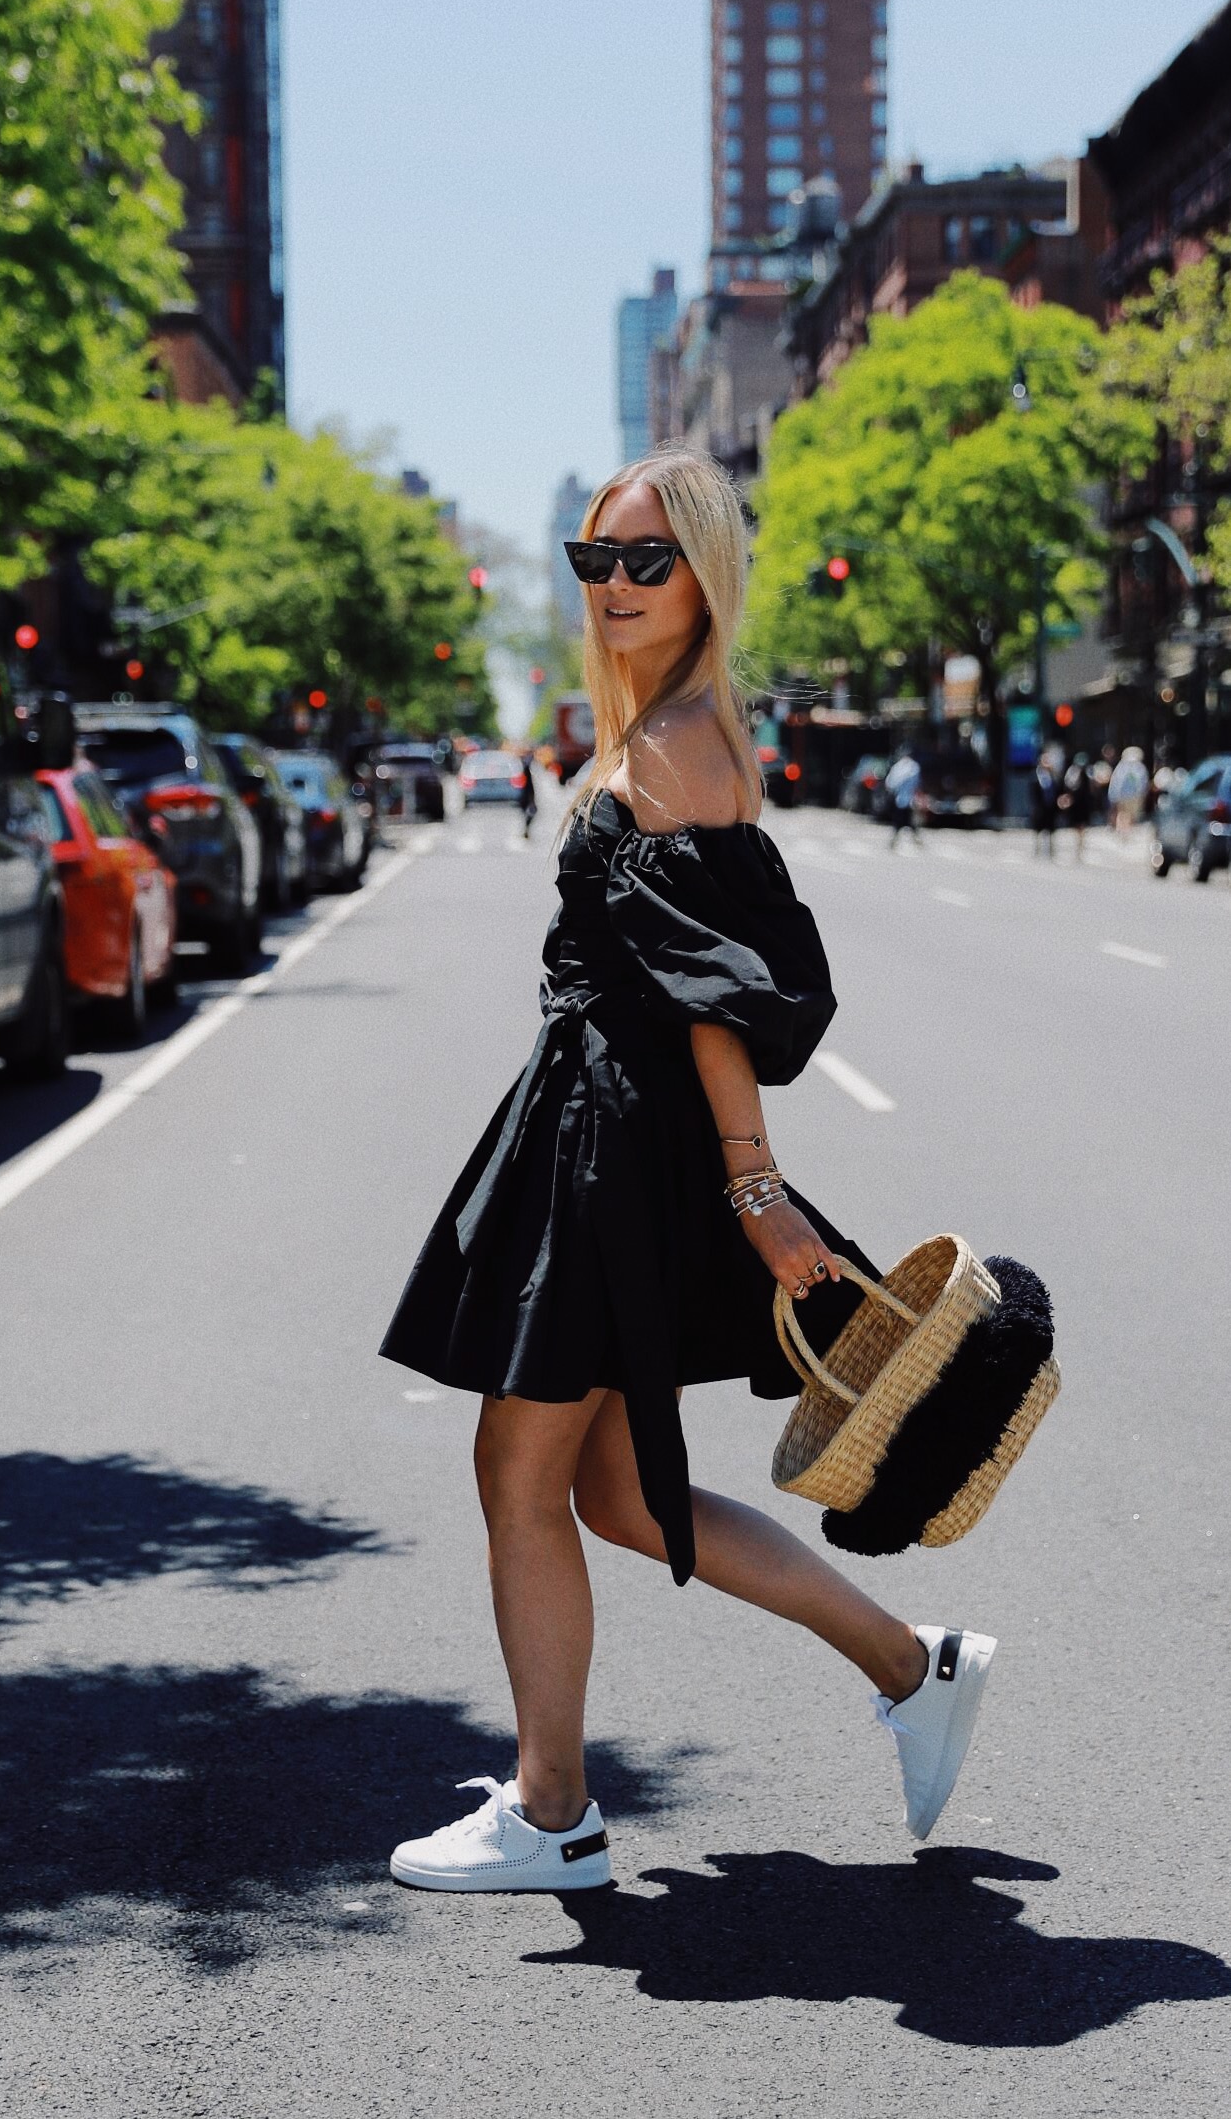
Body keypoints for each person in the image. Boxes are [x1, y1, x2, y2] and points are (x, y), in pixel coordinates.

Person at [380, 447, 995, 1894]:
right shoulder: (669, 726)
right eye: (596, 561)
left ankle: (551, 1811)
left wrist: (753, 1183)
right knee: (613, 1492)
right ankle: (914, 1663)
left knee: (519, 1467)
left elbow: (715, 992)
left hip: (618, 1141)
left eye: (645, 561)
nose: (614, 586)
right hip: (600, 1127)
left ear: (706, 571)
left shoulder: (672, 744)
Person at [882, 746, 922, 849]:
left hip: (903, 799)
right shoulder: (912, 767)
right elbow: (917, 783)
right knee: (904, 821)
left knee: (906, 821)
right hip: (905, 799)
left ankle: (911, 839)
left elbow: (890, 783)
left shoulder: (901, 766)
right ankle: (898, 840)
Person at [1060, 751, 1095, 864]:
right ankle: (1078, 843)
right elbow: (1068, 786)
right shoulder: (1072, 771)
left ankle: (1081, 844)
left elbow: (1092, 786)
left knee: (1083, 825)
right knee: (1076, 824)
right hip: (1076, 802)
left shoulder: (1089, 771)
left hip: (1085, 802)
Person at [1107, 745, 1148, 838]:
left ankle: (1122, 830)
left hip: (1122, 796)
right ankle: (1126, 830)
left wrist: (1113, 796)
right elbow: (1143, 784)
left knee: (1123, 813)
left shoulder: (1121, 767)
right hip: (1134, 797)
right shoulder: (1140, 767)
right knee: (1129, 814)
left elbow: (1115, 783)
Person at [1029, 751, 1061, 859]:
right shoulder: (1036, 777)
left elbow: (1057, 791)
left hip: (1050, 807)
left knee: (1051, 829)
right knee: (1038, 829)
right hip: (1040, 808)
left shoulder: (1053, 777)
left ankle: (1051, 852)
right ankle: (1037, 851)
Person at [519, 746, 539, 839]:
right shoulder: (525, 766)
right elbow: (527, 784)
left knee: (530, 813)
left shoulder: (528, 766)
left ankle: (526, 830)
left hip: (526, 794)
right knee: (531, 812)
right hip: (525, 795)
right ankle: (526, 830)